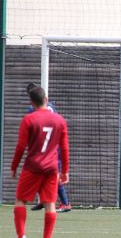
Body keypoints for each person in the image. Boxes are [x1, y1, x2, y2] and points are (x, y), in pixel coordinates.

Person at [11, 86, 70, 238]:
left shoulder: (28, 119)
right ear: (46, 100)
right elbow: (64, 148)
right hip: (51, 168)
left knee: (20, 200)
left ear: (32, 103)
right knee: (50, 203)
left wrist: (14, 166)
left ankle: (22, 235)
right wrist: (65, 171)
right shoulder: (60, 120)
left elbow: (21, 146)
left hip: (32, 167)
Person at [26, 83, 72, 213]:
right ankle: (44, 200)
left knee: (52, 175)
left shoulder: (32, 109)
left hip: (46, 149)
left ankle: (65, 203)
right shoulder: (51, 106)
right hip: (53, 145)